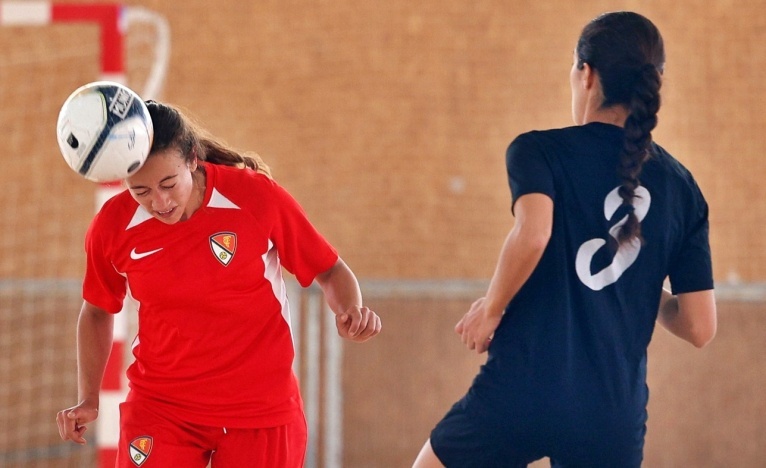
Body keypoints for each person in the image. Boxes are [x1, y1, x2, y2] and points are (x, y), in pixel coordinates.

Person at [413, 11, 716, 468]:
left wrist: (491, 310)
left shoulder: (539, 150)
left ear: (586, 74)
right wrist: (632, 279)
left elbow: (534, 234)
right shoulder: (682, 187)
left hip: (523, 389)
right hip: (612, 412)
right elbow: (699, 327)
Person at [56, 100, 381, 467]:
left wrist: (350, 310)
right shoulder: (112, 227)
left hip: (260, 409)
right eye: (141, 191)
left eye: (168, 183)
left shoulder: (255, 197)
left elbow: (329, 269)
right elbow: (98, 310)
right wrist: (89, 398)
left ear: (193, 159)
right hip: (161, 406)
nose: (159, 202)